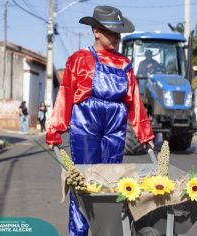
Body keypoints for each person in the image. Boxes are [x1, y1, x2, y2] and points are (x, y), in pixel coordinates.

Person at [45, 6, 154, 236]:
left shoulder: (124, 64)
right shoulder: (78, 60)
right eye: (111, 32)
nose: (116, 37)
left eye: (118, 33)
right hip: (86, 124)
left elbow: (134, 100)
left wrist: (145, 134)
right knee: (83, 184)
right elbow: (65, 95)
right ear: (96, 31)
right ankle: (79, 233)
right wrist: (55, 129)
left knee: (111, 185)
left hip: (115, 126)